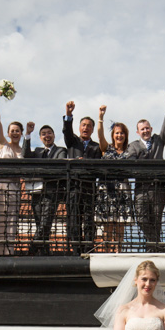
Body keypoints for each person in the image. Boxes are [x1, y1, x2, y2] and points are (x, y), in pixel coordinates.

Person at [126, 92, 165, 251]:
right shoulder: (133, 145)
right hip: (141, 187)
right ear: (137, 132)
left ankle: (152, 247)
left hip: (157, 187)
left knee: (156, 219)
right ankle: (156, 244)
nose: (145, 131)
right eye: (142, 129)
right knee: (141, 217)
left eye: (147, 128)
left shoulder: (158, 140)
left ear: (151, 129)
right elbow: (130, 159)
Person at [0, 91, 24, 255]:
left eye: (17, 130)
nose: (14, 133)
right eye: (12, 130)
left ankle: (8, 254)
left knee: (10, 222)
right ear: (8, 133)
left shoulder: (23, 150)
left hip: (14, 187)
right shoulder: (2, 144)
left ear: (21, 133)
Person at [62, 101, 101, 254]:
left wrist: (88, 164)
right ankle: (76, 248)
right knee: (73, 218)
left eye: (89, 126)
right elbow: (66, 131)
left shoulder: (96, 147)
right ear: (79, 127)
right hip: (73, 186)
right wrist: (69, 114)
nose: (86, 128)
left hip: (89, 187)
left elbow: (98, 167)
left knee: (89, 219)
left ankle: (88, 247)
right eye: (83, 125)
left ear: (92, 129)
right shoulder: (73, 141)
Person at [22, 122, 67, 255]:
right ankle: (45, 253)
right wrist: (28, 135)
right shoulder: (37, 151)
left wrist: (38, 171)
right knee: (39, 224)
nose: (46, 136)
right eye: (43, 134)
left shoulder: (60, 151)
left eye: (49, 133)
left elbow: (58, 168)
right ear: (40, 138)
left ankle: (31, 251)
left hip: (52, 193)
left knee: (45, 223)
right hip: (36, 193)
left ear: (53, 135)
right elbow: (25, 155)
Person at [94, 107, 134, 252]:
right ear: (113, 135)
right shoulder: (107, 148)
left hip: (122, 190)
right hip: (107, 189)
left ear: (125, 135)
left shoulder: (130, 151)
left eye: (122, 133)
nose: (119, 135)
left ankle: (118, 251)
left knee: (120, 225)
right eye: (117, 133)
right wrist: (100, 117)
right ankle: (107, 252)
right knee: (107, 224)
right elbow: (99, 136)